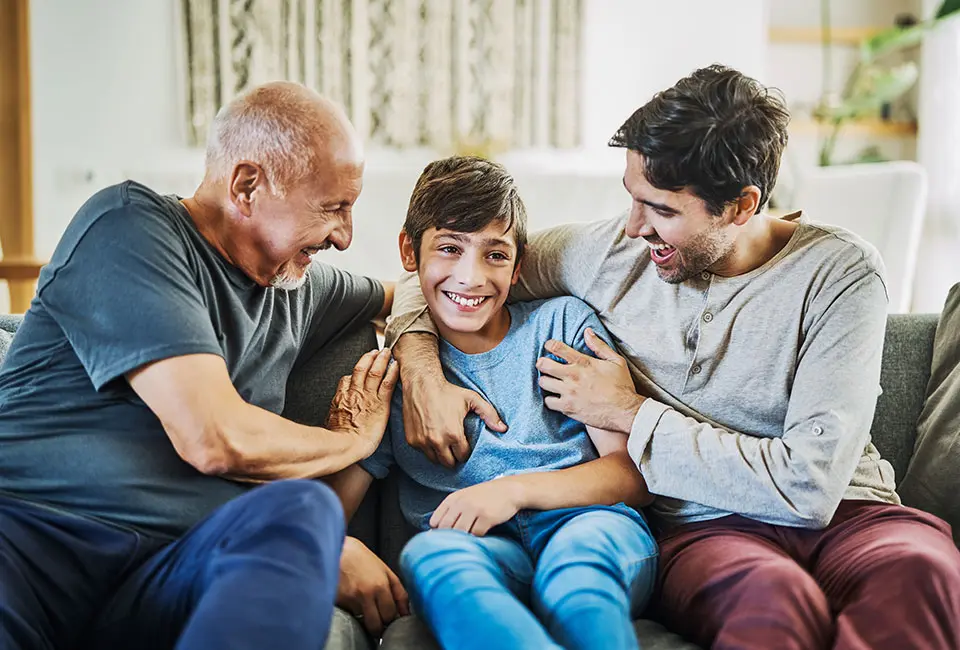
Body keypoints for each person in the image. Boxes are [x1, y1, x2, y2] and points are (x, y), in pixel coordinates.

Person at [386, 66, 960, 649]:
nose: (634, 227)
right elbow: (457, 276)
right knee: (768, 602)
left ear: (741, 206)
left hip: (852, 514)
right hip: (708, 526)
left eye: (660, 210)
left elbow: (809, 488)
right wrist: (421, 368)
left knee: (923, 572)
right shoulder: (605, 252)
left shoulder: (840, 272)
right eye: (632, 199)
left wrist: (630, 412)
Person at [0, 81, 409, 650]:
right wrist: (352, 441)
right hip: (33, 545)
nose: (345, 236)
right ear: (248, 185)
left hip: (161, 574)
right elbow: (213, 438)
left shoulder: (297, 287)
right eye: (333, 208)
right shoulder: (128, 228)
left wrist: (428, 367)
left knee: (303, 510)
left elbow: (423, 291)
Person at [326, 156, 658, 650]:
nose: (471, 276)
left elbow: (633, 474)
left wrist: (512, 492)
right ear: (409, 252)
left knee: (578, 578)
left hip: (589, 526)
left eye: (495, 255)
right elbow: (330, 509)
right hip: (473, 549)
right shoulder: (396, 380)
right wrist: (334, 544)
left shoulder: (561, 325)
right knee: (432, 558)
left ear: (518, 263)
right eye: (449, 248)